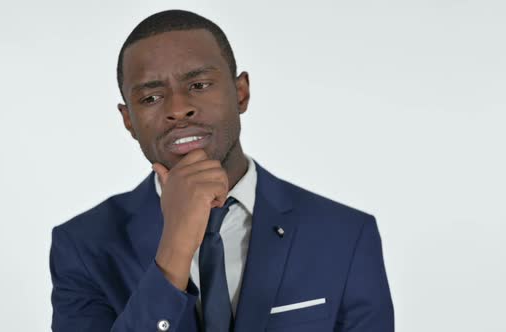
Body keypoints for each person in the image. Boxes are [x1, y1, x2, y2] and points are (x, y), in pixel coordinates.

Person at [49, 9, 394, 332]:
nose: (179, 109)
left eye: (198, 85)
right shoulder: (83, 245)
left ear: (241, 93)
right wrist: (176, 245)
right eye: (151, 98)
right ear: (128, 120)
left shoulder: (345, 234)